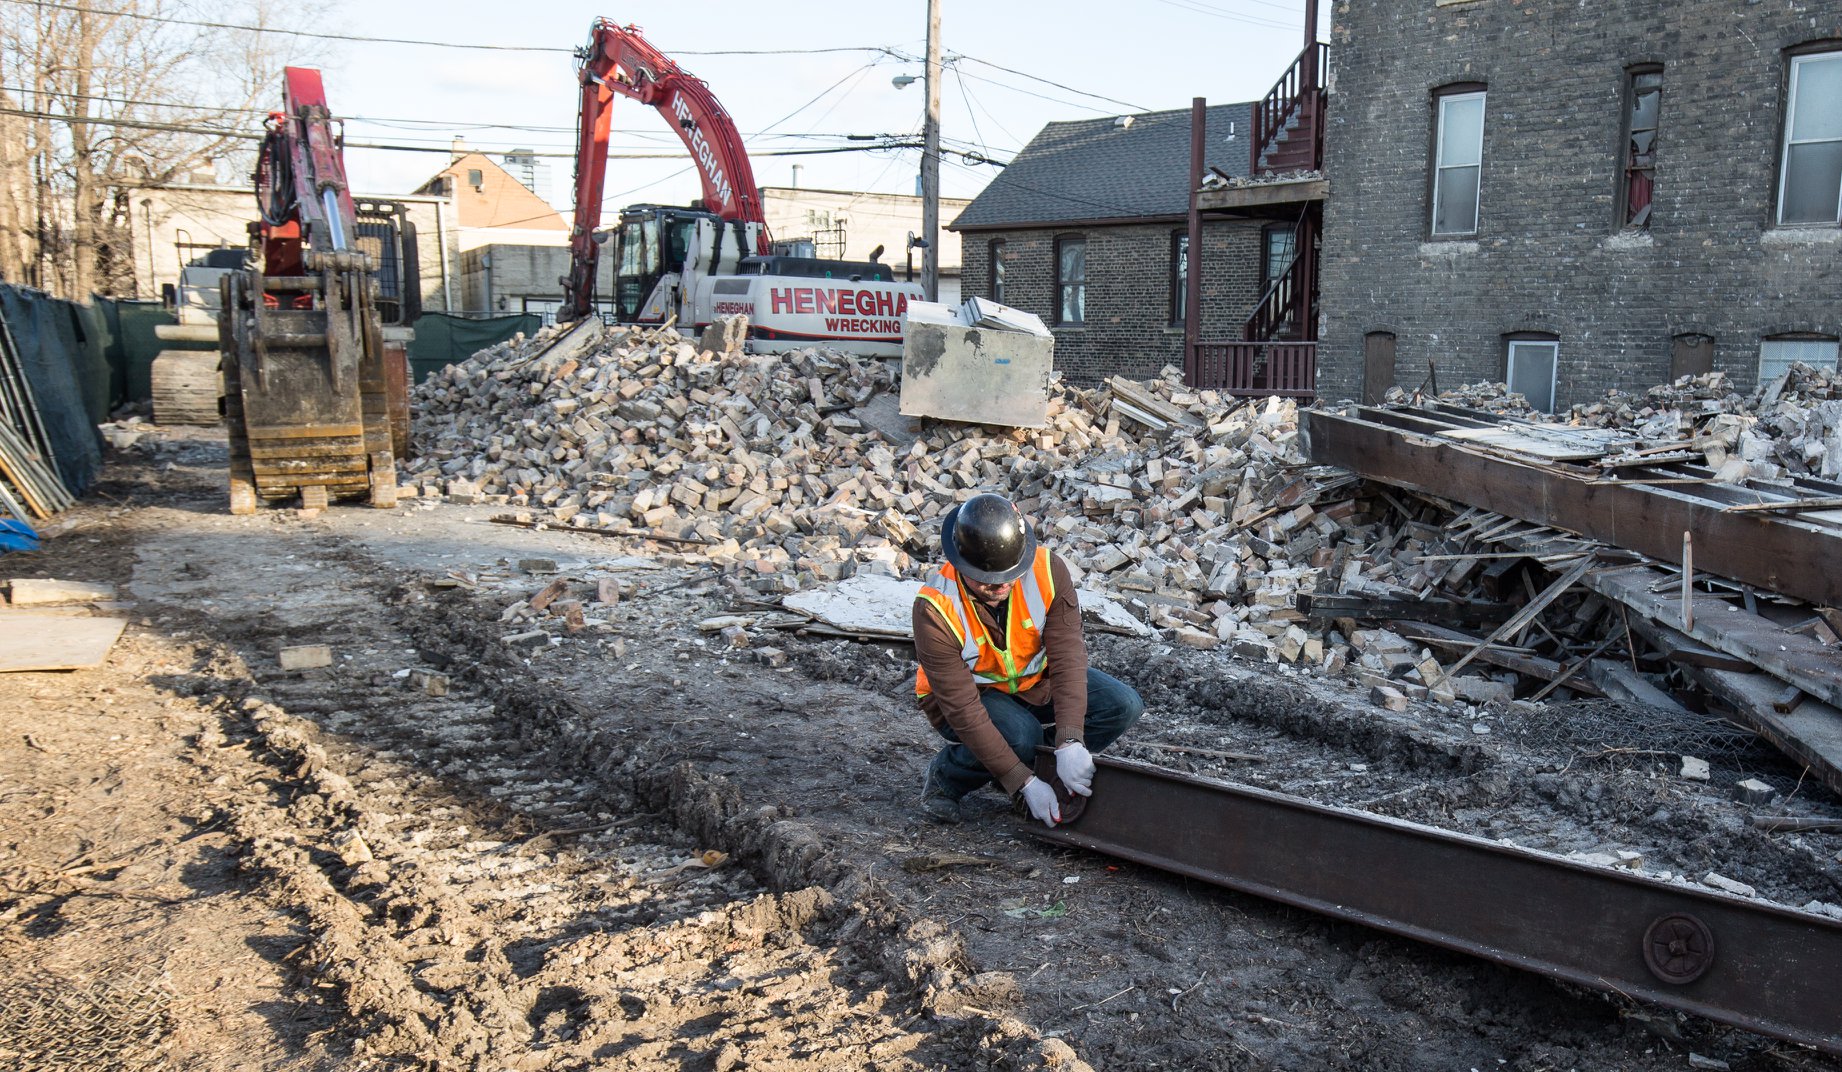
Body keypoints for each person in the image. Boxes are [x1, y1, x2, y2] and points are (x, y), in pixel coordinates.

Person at [913, 492, 1144, 826]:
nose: (1000, 586)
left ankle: (1026, 765)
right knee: (1022, 735)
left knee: (1122, 704)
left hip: (1032, 684)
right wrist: (1023, 782)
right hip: (968, 698)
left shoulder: (1048, 572)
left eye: (1009, 574)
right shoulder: (934, 608)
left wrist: (1069, 741)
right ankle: (948, 777)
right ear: (961, 564)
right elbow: (962, 709)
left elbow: (1067, 659)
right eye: (987, 580)